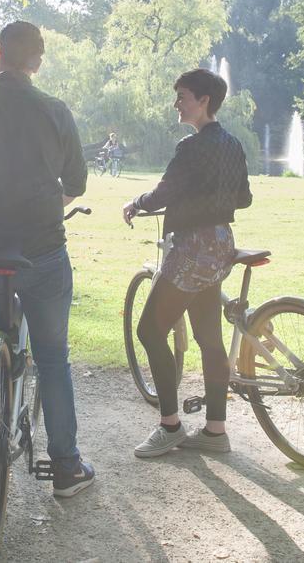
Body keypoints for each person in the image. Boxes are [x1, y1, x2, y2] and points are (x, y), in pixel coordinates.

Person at [0, 21, 94, 498]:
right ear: (38, 62)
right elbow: (76, 184)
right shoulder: (55, 111)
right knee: (53, 358)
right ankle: (66, 466)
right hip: (43, 249)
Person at [121, 68, 252, 458]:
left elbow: (164, 193)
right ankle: (215, 430)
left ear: (203, 101)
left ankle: (170, 426)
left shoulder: (191, 147)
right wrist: (208, 196)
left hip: (193, 247)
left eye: (182, 96)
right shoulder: (232, 144)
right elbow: (243, 198)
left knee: (148, 331)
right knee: (209, 338)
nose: (177, 103)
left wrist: (135, 203)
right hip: (221, 244)